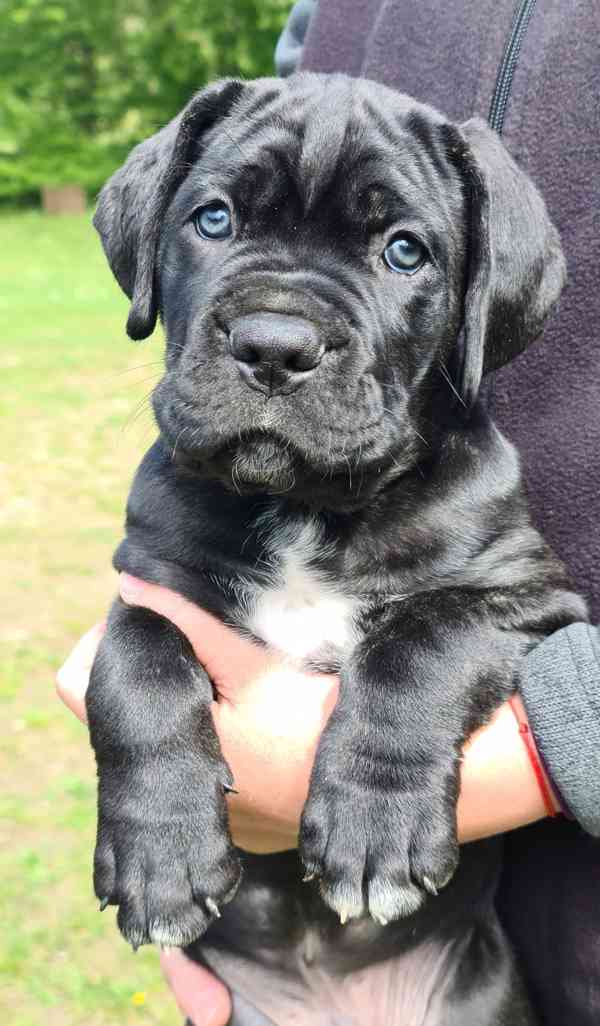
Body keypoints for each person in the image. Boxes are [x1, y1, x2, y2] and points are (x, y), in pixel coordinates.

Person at [58, 1, 600, 1023]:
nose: (277, 326)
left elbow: (512, 613)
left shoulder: (464, 506)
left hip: (487, 968)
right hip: (253, 977)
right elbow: (144, 635)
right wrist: (154, 790)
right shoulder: (182, 495)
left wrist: (409, 745)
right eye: (218, 220)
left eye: (400, 248)